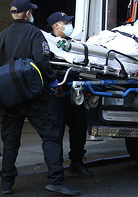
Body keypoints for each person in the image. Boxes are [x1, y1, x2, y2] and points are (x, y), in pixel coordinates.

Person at [0, 0, 80, 196]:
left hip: (11, 96)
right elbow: (42, 60)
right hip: (34, 94)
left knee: (10, 140)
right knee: (50, 135)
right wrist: (52, 81)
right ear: (27, 14)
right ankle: (56, 180)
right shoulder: (35, 33)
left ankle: (6, 184)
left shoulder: (3, 35)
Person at [47, 11, 94, 178]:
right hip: (57, 94)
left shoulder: (73, 44)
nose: (68, 25)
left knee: (80, 127)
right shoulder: (49, 44)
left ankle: (77, 162)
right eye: (65, 22)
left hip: (74, 93)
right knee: (56, 131)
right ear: (56, 26)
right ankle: (56, 167)